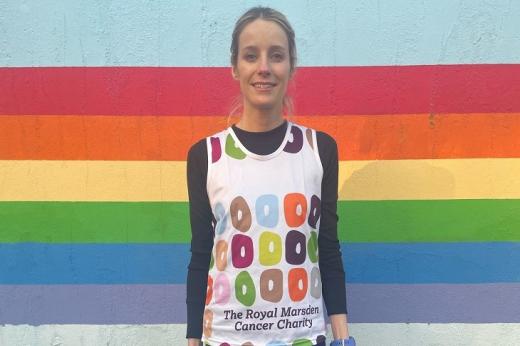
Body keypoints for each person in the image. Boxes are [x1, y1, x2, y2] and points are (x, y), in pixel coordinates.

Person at [186, 6, 355, 346]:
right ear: (235, 67)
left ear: (291, 65)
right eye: (251, 56)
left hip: (303, 337)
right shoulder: (206, 156)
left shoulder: (319, 150)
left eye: (276, 55)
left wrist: (343, 337)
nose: (264, 68)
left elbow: (328, 250)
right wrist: (192, 340)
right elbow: (201, 254)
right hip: (225, 337)